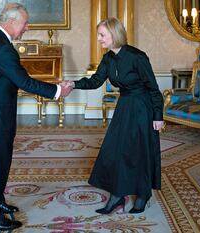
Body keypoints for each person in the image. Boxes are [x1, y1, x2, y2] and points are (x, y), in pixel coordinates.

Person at [0, 3, 72, 231]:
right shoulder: (3, 48)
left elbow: (11, 78)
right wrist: (57, 91)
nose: (27, 27)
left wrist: (51, 87)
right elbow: (24, 82)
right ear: (12, 22)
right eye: (25, 23)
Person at [63, 17, 164, 214]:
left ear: (114, 34)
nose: (99, 39)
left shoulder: (138, 57)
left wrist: (158, 116)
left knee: (139, 151)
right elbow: (95, 81)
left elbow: (153, 88)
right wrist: (73, 84)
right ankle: (117, 195)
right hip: (124, 105)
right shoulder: (108, 58)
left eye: (102, 35)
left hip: (143, 107)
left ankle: (143, 194)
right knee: (116, 150)